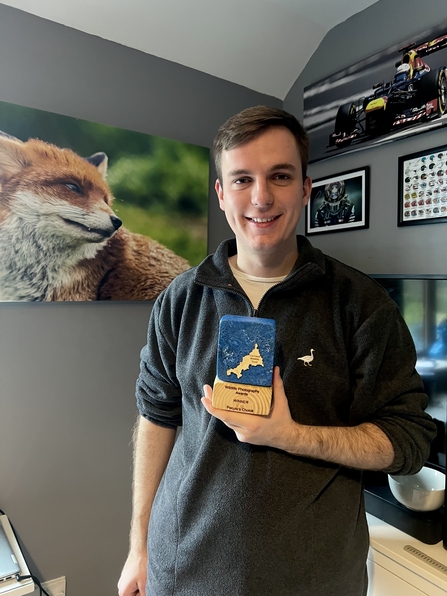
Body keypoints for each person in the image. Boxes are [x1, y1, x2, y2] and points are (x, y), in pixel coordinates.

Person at [117, 106, 436, 596]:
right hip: (183, 572)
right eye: (242, 179)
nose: (261, 197)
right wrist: (138, 546)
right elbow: (156, 416)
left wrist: (289, 435)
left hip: (315, 580)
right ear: (222, 194)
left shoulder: (362, 306)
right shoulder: (179, 301)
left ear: (306, 189)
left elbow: (410, 441)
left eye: (280, 176)